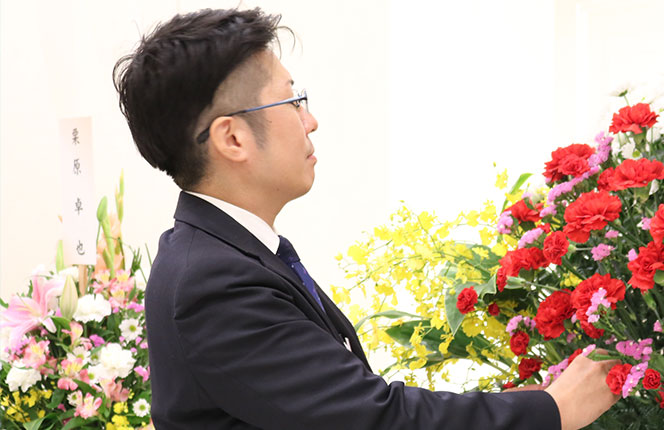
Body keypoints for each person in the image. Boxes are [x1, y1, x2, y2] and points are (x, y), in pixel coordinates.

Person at [114, 7, 618, 430]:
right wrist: (552, 410)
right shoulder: (213, 282)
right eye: (293, 101)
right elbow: (373, 419)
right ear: (233, 138)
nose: (311, 121)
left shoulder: (223, 255)